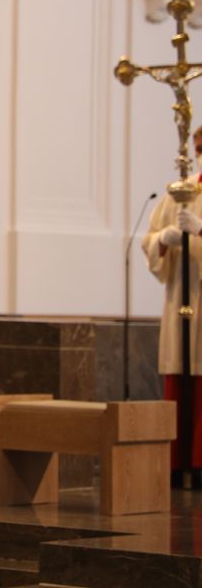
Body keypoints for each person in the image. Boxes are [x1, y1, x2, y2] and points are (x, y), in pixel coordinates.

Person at [142, 124, 202, 484]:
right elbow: (150, 239)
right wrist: (161, 240)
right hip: (179, 296)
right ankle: (177, 465)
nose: (199, 152)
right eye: (198, 145)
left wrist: (200, 229)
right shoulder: (179, 193)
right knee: (178, 380)